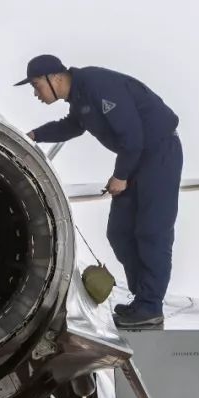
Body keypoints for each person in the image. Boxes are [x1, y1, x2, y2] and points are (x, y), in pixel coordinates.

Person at [17, 54, 182, 328]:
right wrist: (32, 136)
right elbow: (72, 126)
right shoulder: (80, 98)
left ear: (55, 77)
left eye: (37, 85)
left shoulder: (97, 85)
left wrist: (120, 176)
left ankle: (151, 305)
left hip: (158, 154)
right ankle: (142, 300)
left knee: (152, 230)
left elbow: (132, 135)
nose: (36, 93)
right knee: (118, 232)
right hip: (134, 158)